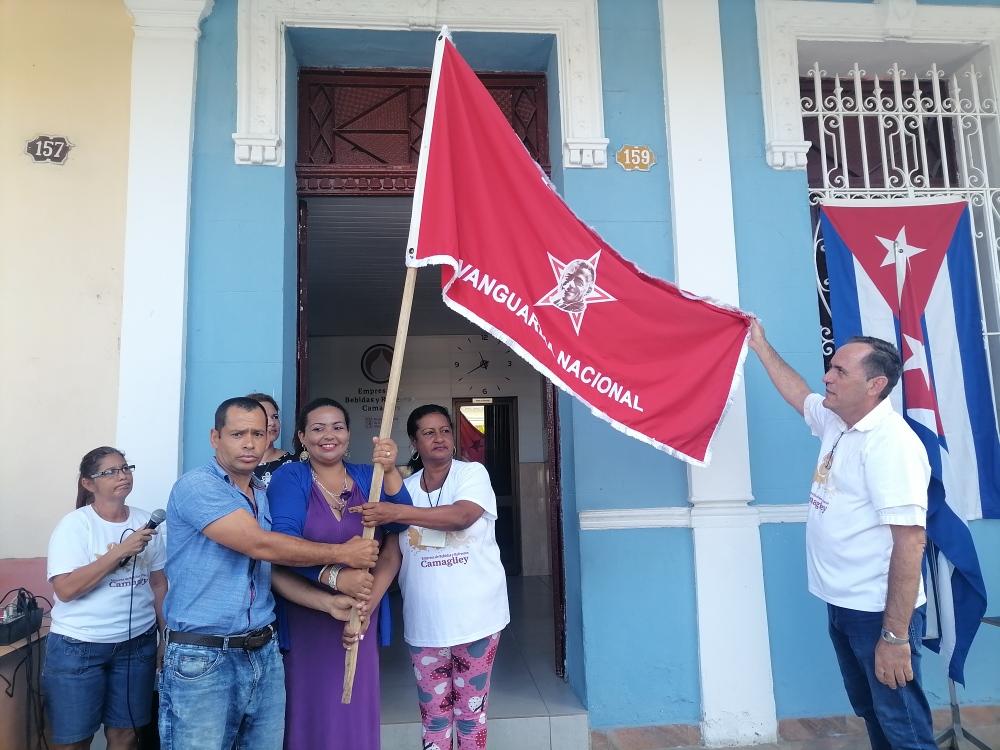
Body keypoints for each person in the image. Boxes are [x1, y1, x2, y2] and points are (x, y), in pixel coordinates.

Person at [749, 321, 934, 750]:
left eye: (840, 372)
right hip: (843, 605)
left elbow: (911, 542)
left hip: (877, 613)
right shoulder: (838, 422)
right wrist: (760, 342)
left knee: (903, 724)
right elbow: (799, 394)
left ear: (876, 385)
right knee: (873, 712)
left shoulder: (891, 445)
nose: (826, 378)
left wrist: (894, 636)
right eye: (831, 368)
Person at [158, 396, 380, 750]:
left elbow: (269, 572)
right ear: (215, 438)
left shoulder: (262, 493)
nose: (249, 443)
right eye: (237, 434)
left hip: (262, 650)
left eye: (258, 434)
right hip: (204, 656)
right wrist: (342, 554)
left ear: (269, 438)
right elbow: (260, 546)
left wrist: (328, 604)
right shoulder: (199, 486)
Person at [356, 404, 509, 750]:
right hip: (426, 623)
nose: (439, 438)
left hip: (477, 619)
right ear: (414, 441)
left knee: (471, 715)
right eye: (428, 432)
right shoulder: (405, 488)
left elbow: (462, 516)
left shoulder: (472, 475)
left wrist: (396, 510)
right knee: (434, 716)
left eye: (445, 430)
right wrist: (367, 605)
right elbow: (392, 555)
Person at [267, 397, 410, 750]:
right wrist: (335, 576)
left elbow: (402, 522)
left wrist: (367, 604)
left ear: (348, 434)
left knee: (354, 711)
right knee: (310, 709)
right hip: (307, 616)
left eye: (337, 427)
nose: (328, 435)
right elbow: (283, 545)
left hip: (362, 613)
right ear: (301, 436)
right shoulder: (291, 477)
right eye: (317, 428)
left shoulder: (367, 476)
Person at [43, 447, 167, 750]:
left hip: (137, 645)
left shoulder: (146, 521)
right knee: (74, 740)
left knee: (127, 734)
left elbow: (158, 583)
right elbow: (67, 590)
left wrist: (165, 637)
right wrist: (120, 551)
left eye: (125, 468)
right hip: (78, 646)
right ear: (89, 483)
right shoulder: (75, 526)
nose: (122, 475)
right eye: (110, 472)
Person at [247, 393, 295, 487]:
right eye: (264, 417)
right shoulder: (236, 464)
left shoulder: (294, 463)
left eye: (275, 417)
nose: (272, 423)